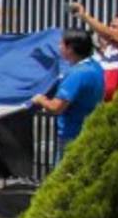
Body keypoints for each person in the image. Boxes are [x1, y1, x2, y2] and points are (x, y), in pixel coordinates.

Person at [31, 29, 104, 162]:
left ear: (70, 48)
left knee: (64, 177)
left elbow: (56, 108)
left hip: (72, 134)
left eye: (61, 44)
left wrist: (41, 100)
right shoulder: (95, 67)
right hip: (90, 130)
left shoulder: (76, 74)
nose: (59, 47)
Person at [69, 4, 118, 100]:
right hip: (104, 107)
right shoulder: (107, 51)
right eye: (110, 26)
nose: (109, 29)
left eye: (114, 27)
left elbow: (110, 37)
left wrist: (84, 16)